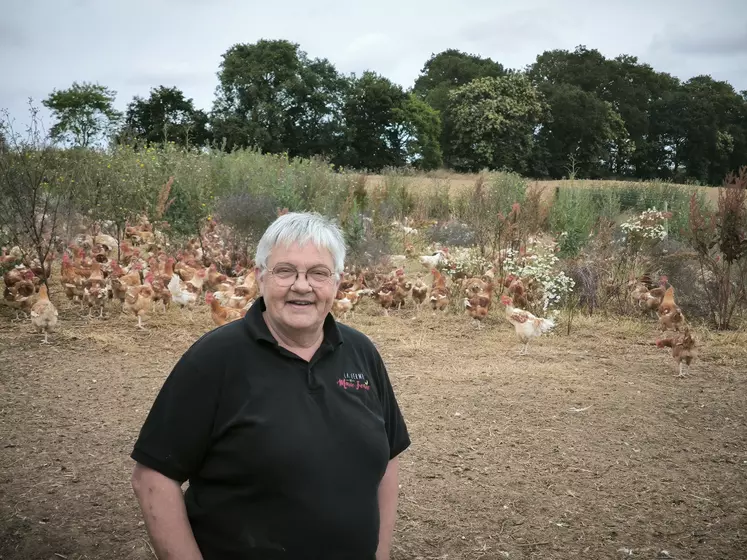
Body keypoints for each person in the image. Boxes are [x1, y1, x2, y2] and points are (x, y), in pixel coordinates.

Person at [130, 211, 411, 560]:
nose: (302, 285)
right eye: (285, 271)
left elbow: (389, 456)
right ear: (261, 276)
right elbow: (153, 478)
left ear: (337, 282)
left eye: (318, 273)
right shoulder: (215, 359)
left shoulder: (361, 353)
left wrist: (380, 554)